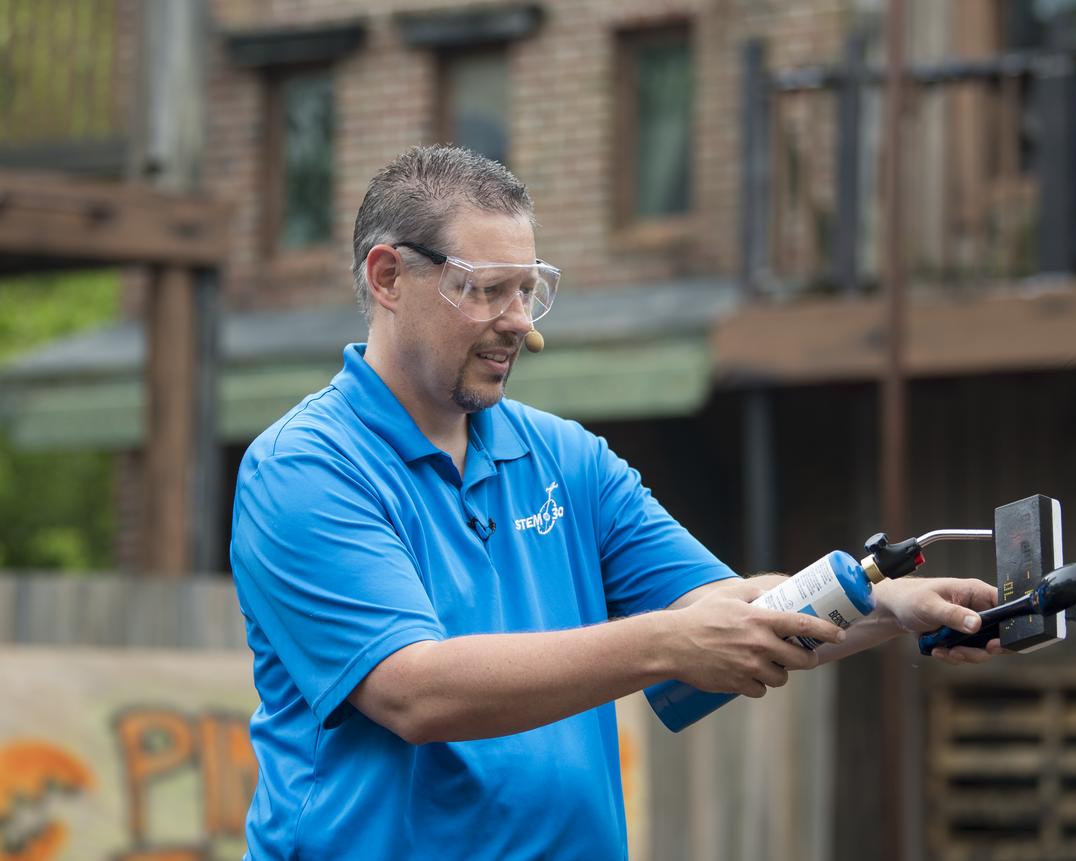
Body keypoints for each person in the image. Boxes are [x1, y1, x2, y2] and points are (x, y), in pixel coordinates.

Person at [230, 145, 1002, 860]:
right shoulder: (305, 469)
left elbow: (725, 612)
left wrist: (890, 603)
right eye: (487, 290)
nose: (521, 325)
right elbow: (413, 689)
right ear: (389, 277)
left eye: (528, 290)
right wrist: (665, 643)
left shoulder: (565, 456)